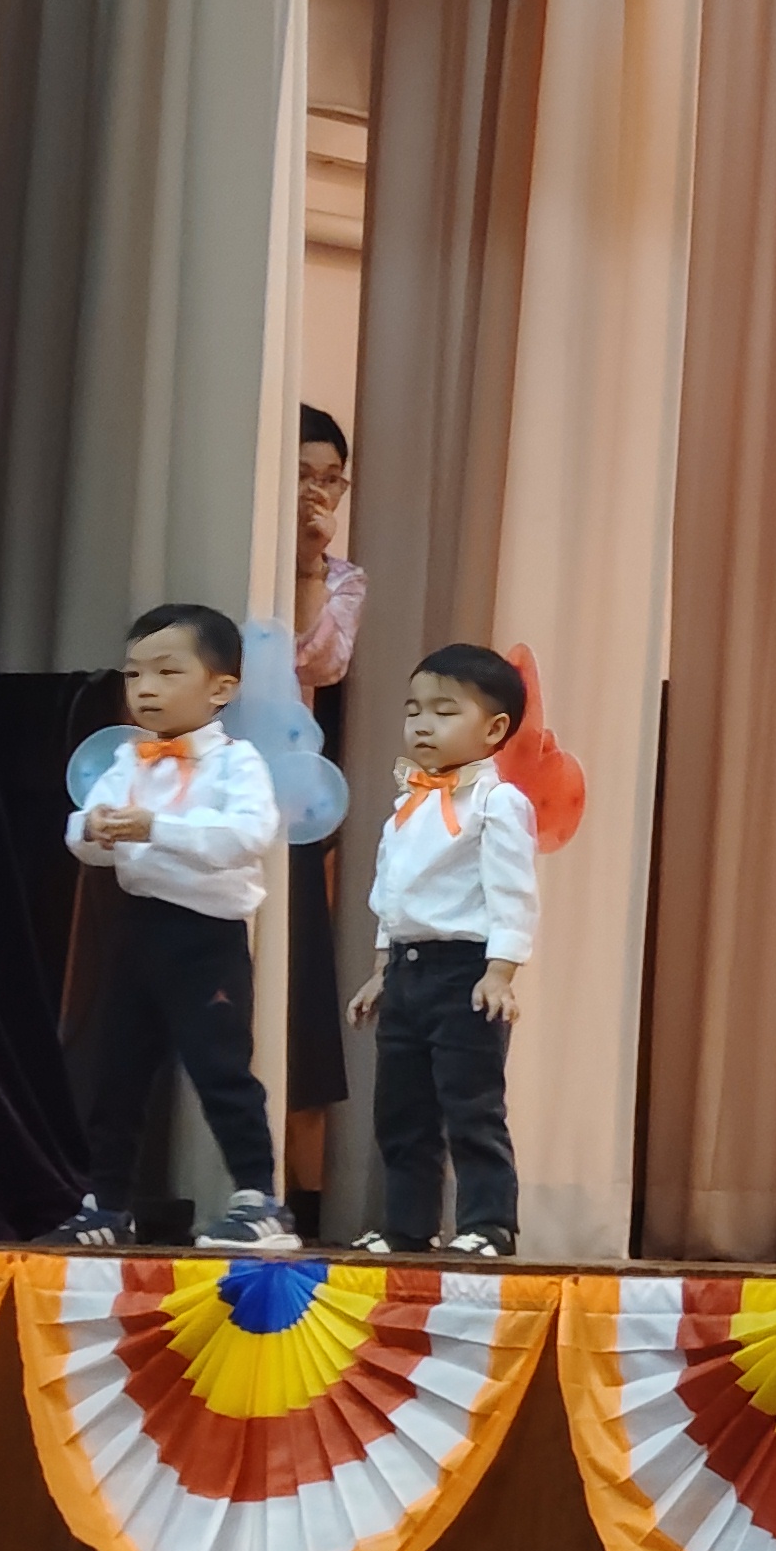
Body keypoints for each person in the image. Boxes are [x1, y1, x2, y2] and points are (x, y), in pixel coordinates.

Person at [49, 605, 294, 1253]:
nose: (146, 689)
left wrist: (156, 827)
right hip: (137, 930)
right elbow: (82, 835)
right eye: (134, 675)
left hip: (206, 939)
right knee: (118, 1071)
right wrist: (93, 829)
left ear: (221, 688)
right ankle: (107, 1205)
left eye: (166, 672)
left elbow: (247, 837)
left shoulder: (238, 763)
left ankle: (260, 1202)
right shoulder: (128, 759)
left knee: (221, 1071)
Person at [351, 643, 541, 1256]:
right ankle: (409, 1226)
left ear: (494, 729)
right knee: (401, 1110)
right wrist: (381, 970)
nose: (422, 724)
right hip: (408, 972)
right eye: (413, 711)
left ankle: (489, 1226)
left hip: (465, 972)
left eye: (444, 711)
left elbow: (512, 892)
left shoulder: (497, 802)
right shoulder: (406, 805)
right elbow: (392, 895)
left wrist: (500, 972)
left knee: (471, 1105)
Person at [285, 404, 366, 1222]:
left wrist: (309, 564)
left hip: (290, 810)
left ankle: (300, 1201)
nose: (317, 491)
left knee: (299, 998)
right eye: (302, 474)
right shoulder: (225, 549)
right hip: (200, 796)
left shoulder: (342, 578)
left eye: (331, 480)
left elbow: (319, 661)